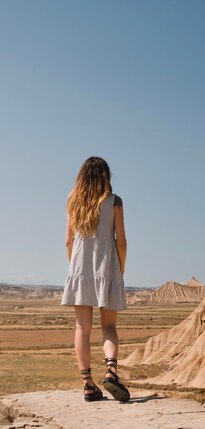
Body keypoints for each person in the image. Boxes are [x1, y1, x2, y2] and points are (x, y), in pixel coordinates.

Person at [61, 156, 130, 402]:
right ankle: (111, 371)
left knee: (82, 327)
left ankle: (88, 384)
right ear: (106, 177)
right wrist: (119, 270)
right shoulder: (114, 202)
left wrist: (75, 268)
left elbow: (69, 241)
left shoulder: (73, 202)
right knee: (109, 326)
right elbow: (120, 241)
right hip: (107, 268)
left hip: (79, 268)